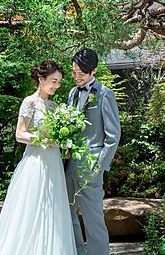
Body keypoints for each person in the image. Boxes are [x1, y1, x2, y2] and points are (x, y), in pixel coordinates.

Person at [0, 60, 76, 255]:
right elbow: (20, 134)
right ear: (41, 79)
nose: (57, 86)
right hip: (36, 161)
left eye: (59, 82)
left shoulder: (54, 106)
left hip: (54, 162)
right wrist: (46, 140)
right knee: (31, 207)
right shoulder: (29, 102)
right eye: (54, 81)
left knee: (53, 209)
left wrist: (63, 140)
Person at [65, 48, 121, 255]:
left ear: (94, 71)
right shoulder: (72, 93)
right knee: (67, 213)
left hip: (91, 165)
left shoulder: (105, 94)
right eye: (73, 72)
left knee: (93, 217)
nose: (76, 76)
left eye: (81, 73)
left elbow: (113, 135)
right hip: (69, 164)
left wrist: (100, 165)